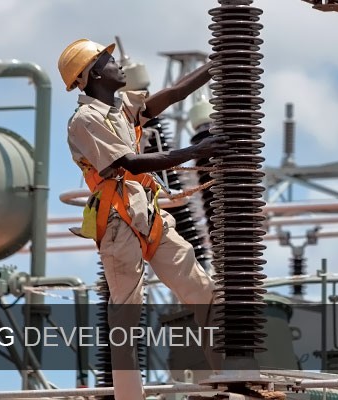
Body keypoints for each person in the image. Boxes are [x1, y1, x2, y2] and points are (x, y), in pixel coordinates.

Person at [57, 38, 226, 400]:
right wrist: (195, 152)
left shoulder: (120, 109)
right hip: (118, 222)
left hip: (148, 215)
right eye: (107, 60)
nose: (116, 64)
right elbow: (128, 164)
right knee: (126, 315)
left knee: (203, 290)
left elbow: (174, 93)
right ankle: (129, 395)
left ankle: (229, 373)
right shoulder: (85, 120)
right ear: (92, 75)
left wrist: (217, 62)